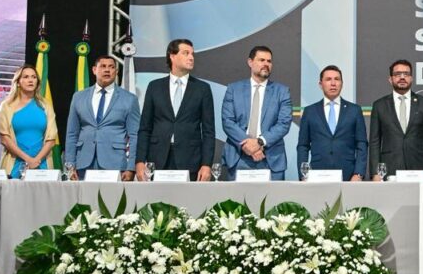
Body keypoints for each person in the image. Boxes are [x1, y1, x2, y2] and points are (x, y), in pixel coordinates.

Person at [135, 39, 215, 182]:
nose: (191, 57)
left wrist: (206, 164)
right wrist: (140, 161)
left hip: (191, 160)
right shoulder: (154, 87)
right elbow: (145, 128)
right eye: (186, 53)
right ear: (172, 56)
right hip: (158, 159)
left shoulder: (202, 89)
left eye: (192, 54)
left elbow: (208, 131)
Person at [63, 55, 141, 180]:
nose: (107, 70)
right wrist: (70, 165)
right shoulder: (78, 97)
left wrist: (131, 167)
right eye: (103, 66)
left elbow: (134, 135)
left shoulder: (129, 99)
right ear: (94, 70)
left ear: (116, 71)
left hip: (115, 163)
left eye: (111, 67)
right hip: (83, 163)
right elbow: (72, 134)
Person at [221, 46, 292, 180]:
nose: (266, 64)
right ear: (250, 62)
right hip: (239, 157)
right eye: (261, 60)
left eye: (269, 61)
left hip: (270, 159)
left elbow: (284, 124)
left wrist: (259, 142)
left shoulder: (282, 91)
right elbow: (227, 121)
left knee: (273, 195)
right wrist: (248, 145)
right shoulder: (233, 89)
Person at [368, 59, 423, 180]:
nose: (402, 77)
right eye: (397, 74)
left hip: (419, 167)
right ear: (390, 79)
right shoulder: (379, 105)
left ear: (411, 78)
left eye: (406, 74)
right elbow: (375, 141)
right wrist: (375, 172)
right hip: (389, 167)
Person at [297, 65, 367, 181]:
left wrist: (358, 174)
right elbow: (303, 146)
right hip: (316, 175)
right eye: (328, 79)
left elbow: (362, 144)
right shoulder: (309, 111)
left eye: (337, 79)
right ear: (320, 84)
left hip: (348, 176)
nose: (333, 83)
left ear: (342, 84)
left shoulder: (354, 110)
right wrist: (303, 175)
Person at [0, 64, 57, 177]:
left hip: (41, 163)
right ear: (18, 82)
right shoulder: (6, 106)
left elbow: (51, 139)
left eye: (34, 77)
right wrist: (28, 160)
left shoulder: (46, 105)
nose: (30, 80)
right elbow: (4, 139)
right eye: (26, 77)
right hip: (14, 163)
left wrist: (36, 160)